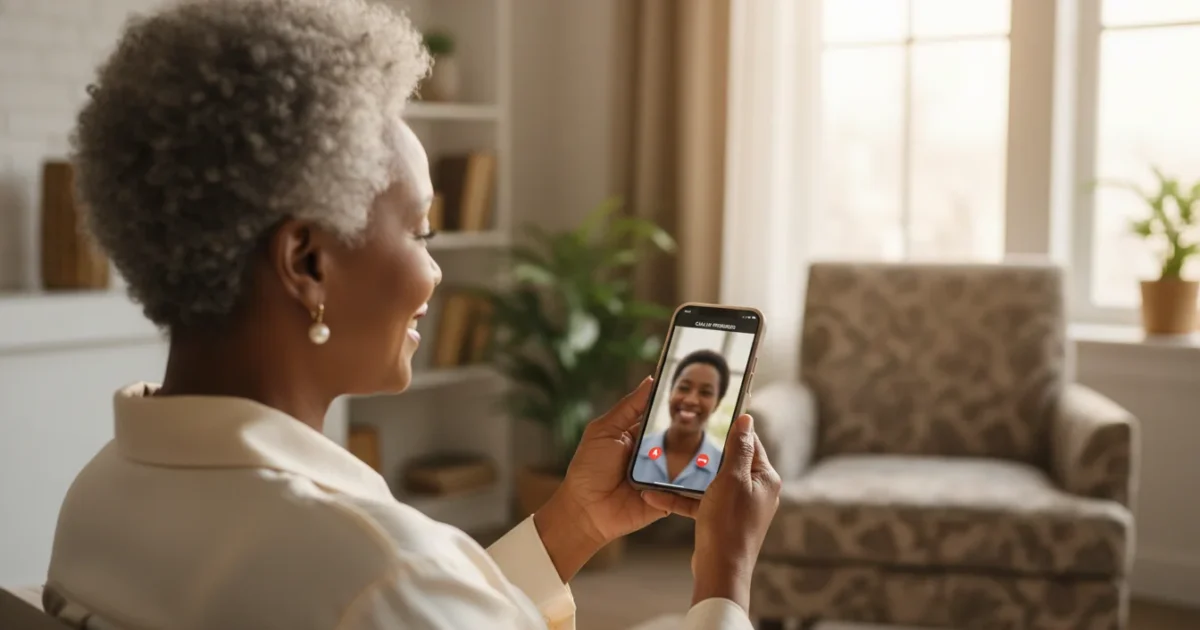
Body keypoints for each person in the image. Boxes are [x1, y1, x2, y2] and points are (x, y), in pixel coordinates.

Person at [42, 1, 781, 629]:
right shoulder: (371, 567)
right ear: (307, 262)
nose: (434, 272)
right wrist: (725, 580)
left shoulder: (98, 493)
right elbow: (392, 594)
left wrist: (575, 525)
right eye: (421, 230)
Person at [633, 350, 730, 491]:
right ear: (671, 392)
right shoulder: (633, 451)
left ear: (717, 404)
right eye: (684, 388)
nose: (691, 400)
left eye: (705, 392)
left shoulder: (723, 470)